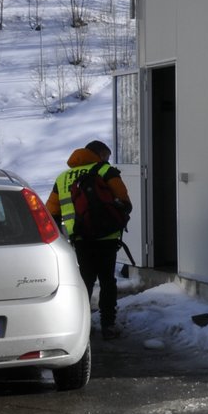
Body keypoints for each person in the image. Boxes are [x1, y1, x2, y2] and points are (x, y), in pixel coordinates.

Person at [46, 139, 131, 340]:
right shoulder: (105, 171)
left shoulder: (63, 178)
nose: (107, 161)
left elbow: (51, 213)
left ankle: (83, 326)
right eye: (106, 157)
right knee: (108, 280)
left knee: (85, 280)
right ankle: (108, 325)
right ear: (100, 155)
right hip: (107, 237)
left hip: (80, 238)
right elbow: (125, 201)